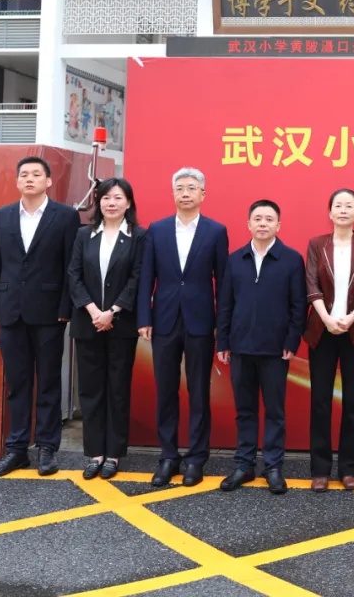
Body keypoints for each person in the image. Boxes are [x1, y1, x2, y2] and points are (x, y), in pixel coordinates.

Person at [0, 156, 81, 478]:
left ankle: (47, 448)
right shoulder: (3, 215)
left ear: (48, 181)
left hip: (50, 312)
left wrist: (66, 307)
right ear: (17, 181)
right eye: (24, 174)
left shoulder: (65, 216)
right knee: (17, 382)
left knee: (49, 381)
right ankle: (17, 449)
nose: (30, 178)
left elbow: (71, 265)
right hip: (10, 310)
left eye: (37, 174)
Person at [137, 167, 229, 488]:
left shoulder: (216, 231)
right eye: (180, 188)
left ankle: (197, 458)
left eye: (191, 187)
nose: (185, 193)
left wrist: (221, 325)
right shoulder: (157, 229)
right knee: (166, 390)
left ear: (203, 193)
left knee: (199, 391)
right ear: (173, 193)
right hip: (163, 320)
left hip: (201, 321)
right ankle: (168, 456)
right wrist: (144, 318)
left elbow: (223, 283)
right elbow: (146, 277)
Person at [216, 200, 306, 495]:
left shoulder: (291, 260)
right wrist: (223, 341)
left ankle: (273, 466)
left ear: (278, 225)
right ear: (248, 224)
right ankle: (244, 464)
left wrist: (291, 341)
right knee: (244, 410)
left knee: (275, 411)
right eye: (257, 218)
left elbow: (298, 306)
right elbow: (225, 304)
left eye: (269, 219)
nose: (263, 223)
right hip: (240, 348)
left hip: (275, 350)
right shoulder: (235, 260)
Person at [67, 178, 147, 480]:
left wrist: (112, 311)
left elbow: (137, 278)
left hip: (121, 325)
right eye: (105, 198)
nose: (111, 203)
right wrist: (93, 311)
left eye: (117, 198)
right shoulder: (83, 234)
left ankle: (113, 454)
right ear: (98, 202)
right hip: (88, 323)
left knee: (117, 389)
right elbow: (73, 275)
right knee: (90, 390)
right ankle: (94, 453)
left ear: (128, 203)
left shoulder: (138, 236)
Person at [305, 189, 354, 492]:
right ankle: (320, 469)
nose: (344, 210)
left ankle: (349, 469)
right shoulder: (317, 244)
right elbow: (311, 285)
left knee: (352, 401)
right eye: (338, 205)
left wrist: (351, 318)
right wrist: (326, 318)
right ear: (330, 212)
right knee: (320, 400)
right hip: (321, 330)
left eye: (350, 206)